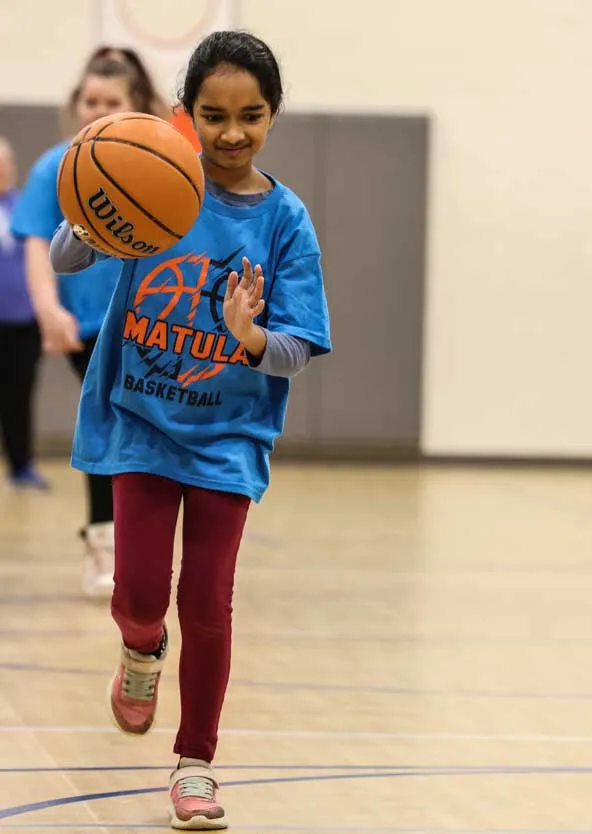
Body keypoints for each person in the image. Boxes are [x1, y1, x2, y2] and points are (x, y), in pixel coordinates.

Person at [50, 30, 331, 830]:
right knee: (141, 595)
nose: (232, 132)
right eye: (213, 115)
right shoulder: (158, 180)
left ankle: (197, 763)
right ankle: (141, 649)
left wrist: (250, 339)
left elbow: (296, 349)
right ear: (188, 114)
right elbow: (72, 257)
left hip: (228, 435)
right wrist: (96, 195)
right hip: (140, 420)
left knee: (205, 596)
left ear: (273, 115)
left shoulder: (284, 220)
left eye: (250, 115)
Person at [11, 55, 163, 598]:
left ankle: (140, 538)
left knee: (140, 425)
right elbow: (33, 239)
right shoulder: (55, 167)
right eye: (90, 102)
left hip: (146, 317)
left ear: (136, 108)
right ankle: (104, 539)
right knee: (110, 419)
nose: (98, 111)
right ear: (76, 106)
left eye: (111, 102)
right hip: (87, 323)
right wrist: (48, 308)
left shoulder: (159, 165)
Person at [0, 138, 49, 490]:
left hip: (23, 322)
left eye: (7, 160)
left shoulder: (26, 206)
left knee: (19, 394)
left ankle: (22, 466)